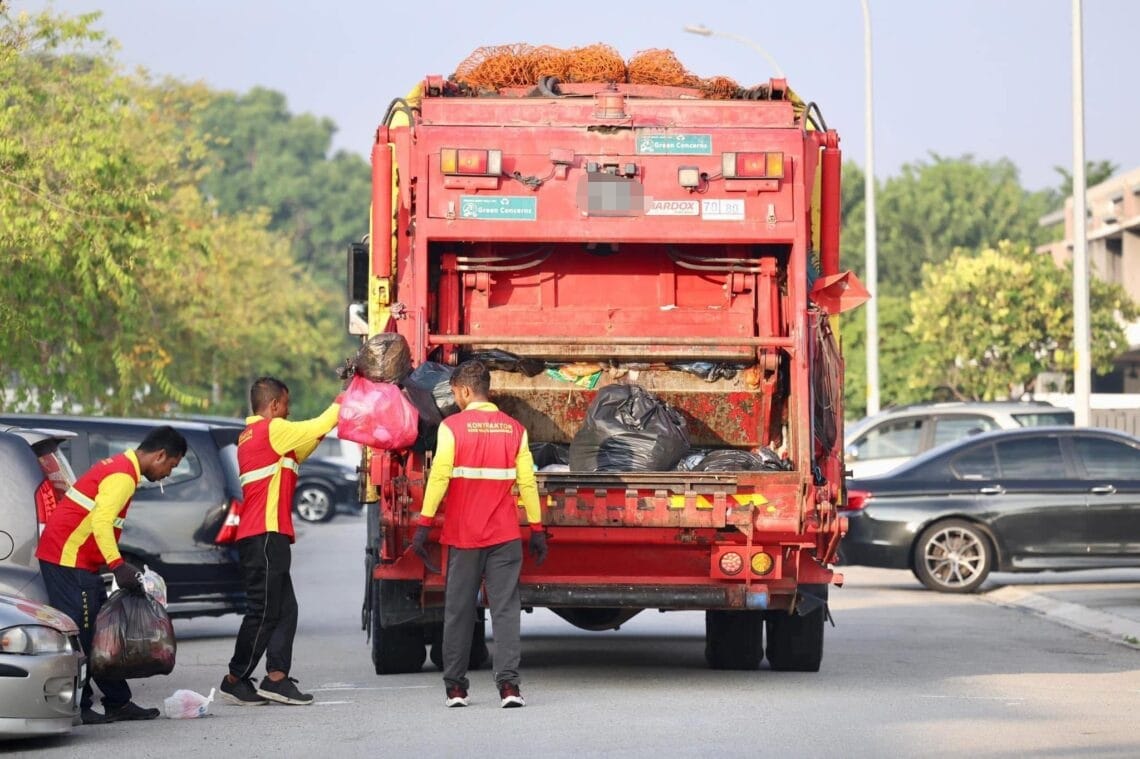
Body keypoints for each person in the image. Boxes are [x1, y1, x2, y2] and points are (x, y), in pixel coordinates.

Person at [412, 360, 548, 709]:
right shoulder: (515, 429)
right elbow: (527, 482)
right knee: (505, 611)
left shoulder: (452, 428)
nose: (455, 399)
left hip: (464, 537)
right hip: (504, 536)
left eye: (455, 392)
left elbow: (439, 477)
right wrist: (536, 528)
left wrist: (424, 524)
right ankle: (509, 688)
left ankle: (456, 689)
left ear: (467, 390)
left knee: (459, 612)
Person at [36, 425, 188, 725]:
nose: (168, 474)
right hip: (67, 559)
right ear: (160, 455)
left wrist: (107, 562)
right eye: (171, 466)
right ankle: (82, 706)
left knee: (96, 634)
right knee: (85, 635)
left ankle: (117, 702)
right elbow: (102, 523)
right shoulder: (122, 477)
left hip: (75, 559)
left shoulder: (119, 467)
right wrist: (117, 565)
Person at [219, 376, 341, 707]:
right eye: (286, 405)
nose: (288, 412)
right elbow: (321, 422)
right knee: (263, 612)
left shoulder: (255, 437)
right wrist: (345, 399)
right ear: (273, 405)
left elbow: (309, 439)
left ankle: (276, 678)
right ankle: (235, 678)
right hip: (264, 537)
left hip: (264, 537)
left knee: (285, 609)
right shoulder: (270, 430)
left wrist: (330, 418)